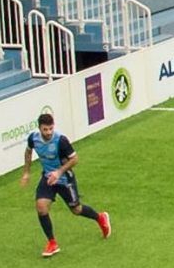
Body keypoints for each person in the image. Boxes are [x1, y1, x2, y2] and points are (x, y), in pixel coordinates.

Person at [20, 109, 110, 258]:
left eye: (50, 128)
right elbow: (28, 152)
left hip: (64, 179)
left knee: (76, 210)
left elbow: (75, 159)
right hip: (48, 178)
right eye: (45, 129)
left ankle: (100, 217)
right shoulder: (33, 138)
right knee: (41, 207)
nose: (48, 132)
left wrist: (59, 172)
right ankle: (52, 243)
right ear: (39, 128)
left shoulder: (61, 141)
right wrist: (26, 172)